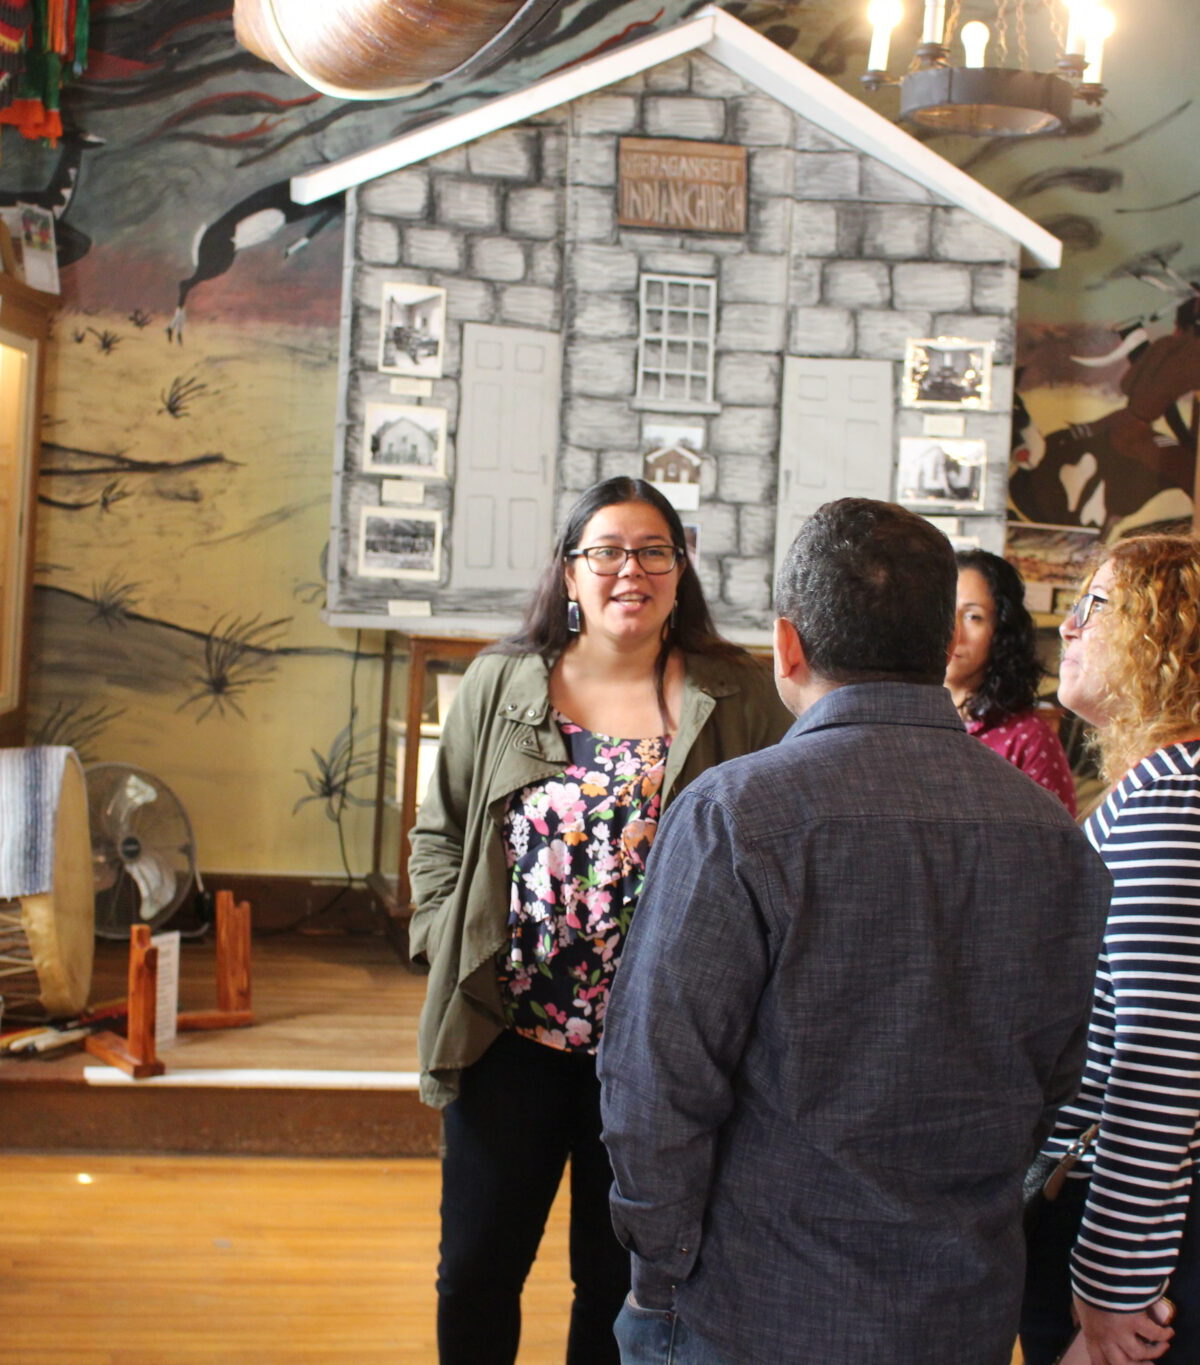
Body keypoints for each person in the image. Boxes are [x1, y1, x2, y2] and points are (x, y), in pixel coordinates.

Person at [598, 497, 1111, 1365]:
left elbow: (655, 1084)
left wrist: (660, 1266)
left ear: (787, 646)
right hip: (962, 1307)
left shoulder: (733, 816)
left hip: (748, 1307)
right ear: (946, 643)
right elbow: (1057, 1076)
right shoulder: (1057, 838)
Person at [407, 475, 791, 1365]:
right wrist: (445, 944)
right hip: (509, 1033)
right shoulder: (505, 682)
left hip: (663, 1051)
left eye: (655, 551)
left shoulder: (738, 694)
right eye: (607, 551)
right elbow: (440, 834)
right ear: (570, 572)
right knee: (475, 1269)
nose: (632, 570)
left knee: (616, 1283)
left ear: (681, 569)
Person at [1021, 535, 1200, 1365]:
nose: (1067, 628)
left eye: (1093, 606)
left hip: (1135, 1232)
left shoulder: (1172, 797)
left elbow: (1159, 1059)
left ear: (1164, 634)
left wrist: (1108, 1288)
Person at [948, 548, 1077, 814]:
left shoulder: (1030, 739)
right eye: (945, 611)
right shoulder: (896, 718)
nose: (954, 630)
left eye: (974, 616)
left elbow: (1056, 847)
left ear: (1001, 632)